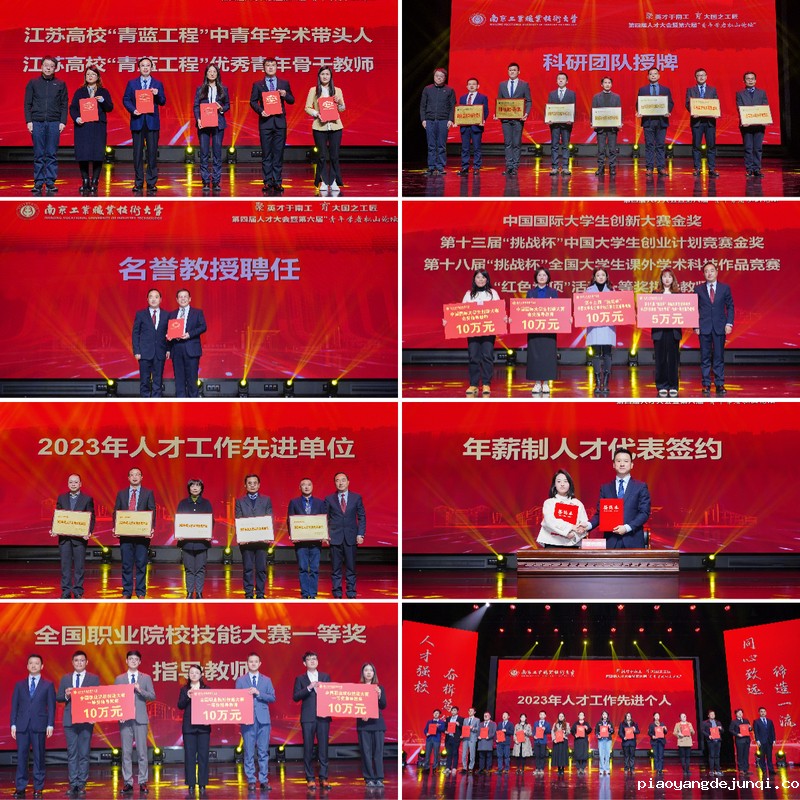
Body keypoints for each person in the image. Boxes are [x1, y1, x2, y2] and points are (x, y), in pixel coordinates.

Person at [587, 447, 651, 549]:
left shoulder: (640, 487)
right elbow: (600, 514)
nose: (622, 464)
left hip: (633, 541)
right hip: (611, 541)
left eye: (626, 461)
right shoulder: (605, 488)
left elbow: (644, 513)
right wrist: (588, 525)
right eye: (618, 461)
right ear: (614, 464)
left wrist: (627, 527)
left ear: (631, 465)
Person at [11, 654, 55, 799]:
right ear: (27, 666)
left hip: (39, 725)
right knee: (21, 757)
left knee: (39, 758)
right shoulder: (19, 685)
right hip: (22, 726)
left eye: (37, 663)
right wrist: (13, 724)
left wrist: (50, 724)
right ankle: (20, 787)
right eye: (31, 663)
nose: (34, 665)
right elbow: (14, 706)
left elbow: (52, 706)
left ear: (42, 666)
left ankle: (38, 787)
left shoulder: (48, 685)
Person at [56, 651, 100, 799]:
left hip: (86, 720)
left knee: (84, 753)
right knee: (72, 753)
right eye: (76, 660)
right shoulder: (66, 678)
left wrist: (95, 715)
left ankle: (81, 784)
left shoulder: (93, 678)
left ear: (86, 662)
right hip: (70, 720)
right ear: (72, 662)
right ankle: (73, 783)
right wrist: (67, 695)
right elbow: (59, 697)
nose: (79, 663)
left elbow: (97, 698)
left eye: (82, 660)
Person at [249, 57, 294, 194]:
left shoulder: (284, 83)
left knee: (278, 153)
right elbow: (252, 101)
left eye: (273, 65)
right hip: (266, 123)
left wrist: (285, 94)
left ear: (276, 67)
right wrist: (260, 111)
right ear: (264, 68)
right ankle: (268, 181)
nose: (270, 67)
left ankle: (278, 181)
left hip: (280, 122)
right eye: (268, 65)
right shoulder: (258, 84)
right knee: (266, 153)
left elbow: (292, 100)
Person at [24, 56, 68, 195]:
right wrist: (29, 121)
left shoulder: (60, 84)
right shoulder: (33, 83)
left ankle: (50, 182)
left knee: (51, 153)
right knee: (38, 154)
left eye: (51, 66)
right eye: (46, 65)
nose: (48, 68)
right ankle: (38, 182)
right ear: (41, 66)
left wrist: (63, 121)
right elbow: (27, 103)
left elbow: (64, 104)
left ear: (55, 68)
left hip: (54, 122)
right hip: (37, 122)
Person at [122, 57, 166, 195]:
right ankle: (138, 182)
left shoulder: (157, 84)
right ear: (139, 68)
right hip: (137, 121)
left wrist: (157, 94)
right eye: (143, 65)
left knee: (152, 153)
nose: (145, 68)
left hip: (152, 122)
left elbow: (163, 101)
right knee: (137, 154)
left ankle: (152, 183)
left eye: (148, 65)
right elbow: (126, 99)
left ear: (151, 68)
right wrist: (133, 110)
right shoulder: (132, 83)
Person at [114, 650, 156, 795]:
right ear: (126, 661)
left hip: (140, 719)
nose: (133, 661)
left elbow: (152, 696)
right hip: (124, 719)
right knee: (126, 752)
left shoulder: (146, 678)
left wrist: (140, 690)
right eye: (130, 659)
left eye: (136, 659)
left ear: (139, 662)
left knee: (142, 752)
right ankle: (128, 782)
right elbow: (115, 699)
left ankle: (143, 781)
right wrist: (119, 713)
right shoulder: (119, 679)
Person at [69, 65, 113, 195]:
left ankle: (95, 181)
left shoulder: (103, 92)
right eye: (88, 74)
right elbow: (73, 108)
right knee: (83, 154)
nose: (90, 76)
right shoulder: (80, 92)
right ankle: (85, 181)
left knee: (97, 154)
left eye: (93, 74)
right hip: (83, 127)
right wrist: (77, 118)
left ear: (98, 77)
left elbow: (110, 108)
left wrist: (103, 101)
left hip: (98, 126)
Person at [235, 653, 276, 792]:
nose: (253, 663)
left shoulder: (267, 680)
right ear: (247, 663)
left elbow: (272, 697)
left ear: (260, 663)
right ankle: (251, 780)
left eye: (255, 661)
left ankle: (263, 780)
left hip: (263, 719)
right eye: (251, 661)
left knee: (263, 752)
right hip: (247, 720)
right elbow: (236, 699)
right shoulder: (241, 680)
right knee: (249, 751)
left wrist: (258, 693)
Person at [113, 468, 156, 599]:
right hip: (125, 535)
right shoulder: (121, 493)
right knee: (126, 564)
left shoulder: (148, 493)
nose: (135, 477)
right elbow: (116, 511)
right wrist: (115, 527)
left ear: (141, 477)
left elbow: (152, 511)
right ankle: (126, 592)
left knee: (141, 564)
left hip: (142, 536)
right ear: (128, 478)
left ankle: (141, 592)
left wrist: (151, 528)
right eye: (132, 475)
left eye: (137, 474)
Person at [292, 651, 331, 790]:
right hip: (308, 717)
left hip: (323, 717)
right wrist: (309, 688)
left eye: (314, 659)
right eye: (309, 659)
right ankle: (310, 778)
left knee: (323, 748)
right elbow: (296, 696)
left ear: (318, 661)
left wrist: (322, 690)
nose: (312, 661)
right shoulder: (300, 679)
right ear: (305, 663)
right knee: (308, 748)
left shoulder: (325, 677)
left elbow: (332, 695)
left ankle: (324, 777)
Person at [694, 262, 734, 397]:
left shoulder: (725, 288)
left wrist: (729, 323)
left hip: (719, 327)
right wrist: (695, 325)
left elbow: (730, 306)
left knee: (719, 357)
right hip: (704, 327)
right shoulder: (698, 289)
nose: (709, 273)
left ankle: (719, 383)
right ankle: (706, 384)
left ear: (716, 272)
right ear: (703, 274)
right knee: (705, 357)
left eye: (712, 271)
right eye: (706, 271)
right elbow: (694, 309)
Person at [458, 269, 500, 397]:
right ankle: (474, 384)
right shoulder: (469, 295)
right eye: (478, 277)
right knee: (473, 356)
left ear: (487, 279)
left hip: (488, 330)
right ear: (474, 279)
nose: (480, 280)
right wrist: (449, 321)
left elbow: (499, 310)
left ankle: (486, 383)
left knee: (487, 356)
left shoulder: (492, 293)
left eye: (483, 277)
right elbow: (460, 313)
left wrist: (503, 318)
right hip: (473, 330)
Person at [52, 473, 95, 598]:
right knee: (65, 566)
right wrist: (54, 529)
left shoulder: (87, 499)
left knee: (79, 567)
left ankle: (78, 591)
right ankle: (65, 591)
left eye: (76, 482)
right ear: (68, 484)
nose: (73, 484)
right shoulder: (62, 498)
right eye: (71, 482)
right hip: (64, 538)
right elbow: (58, 515)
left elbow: (91, 517)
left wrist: (88, 531)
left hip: (80, 539)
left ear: (80, 484)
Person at [305, 65, 345, 194]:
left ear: (331, 76)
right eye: (322, 74)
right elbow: (307, 107)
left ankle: (333, 181)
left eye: (327, 74)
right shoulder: (314, 90)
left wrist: (340, 102)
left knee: (334, 155)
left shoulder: (337, 90)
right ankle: (322, 181)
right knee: (321, 156)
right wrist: (317, 114)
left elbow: (342, 109)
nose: (325, 76)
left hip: (335, 126)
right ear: (319, 76)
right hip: (319, 127)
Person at [325, 472, 366, 599]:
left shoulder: (356, 498)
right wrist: (325, 534)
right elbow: (324, 518)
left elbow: (362, 517)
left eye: (343, 480)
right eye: (337, 480)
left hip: (351, 537)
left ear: (348, 482)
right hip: (334, 537)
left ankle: (351, 593)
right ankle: (337, 593)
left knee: (351, 568)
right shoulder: (329, 499)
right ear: (335, 483)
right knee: (335, 569)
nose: (340, 483)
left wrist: (360, 534)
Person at [234, 474, 273, 599]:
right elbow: (238, 518)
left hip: (262, 541)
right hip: (246, 542)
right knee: (248, 568)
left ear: (259, 485)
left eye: (255, 483)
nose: (252, 485)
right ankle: (249, 593)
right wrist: (241, 537)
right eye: (249, 483)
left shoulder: (266, 500)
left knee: (261, 568)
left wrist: (268, 534)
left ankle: (260, 593)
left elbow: (269, 517)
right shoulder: (240, 501)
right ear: (245, 485)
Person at [193, 63, 230, 193]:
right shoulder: (200, 89)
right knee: (204, 154)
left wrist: (221, 108)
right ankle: (205, 181)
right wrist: (198, 119)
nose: (212, 74)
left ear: (217, 74)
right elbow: (196, 106)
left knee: (217, 153)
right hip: (203, 124)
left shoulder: (223, 89)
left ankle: (216, 181)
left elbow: (227, 105)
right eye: (210, 71)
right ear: (206, 74)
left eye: (214, 71)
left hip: (218, 124)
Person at [287, 478, 327, 599]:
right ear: (300, 488)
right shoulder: (294, 502)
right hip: (301, 542)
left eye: (309, 484)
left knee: (314, 568)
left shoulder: (320, 503)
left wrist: (324, 534)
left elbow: (324, 519)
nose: (306, 487)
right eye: (303, 485)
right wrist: (292, 535)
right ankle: (305, 594)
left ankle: (313, 594)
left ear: (312, 487)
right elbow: (290, 520)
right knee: (303, 568)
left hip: (316, 542)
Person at [176, 664, 211, 798]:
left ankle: (202, 783)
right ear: (188, 675)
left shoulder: (207, 689)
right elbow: (180, 705)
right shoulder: (184, 689)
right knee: (189, 756)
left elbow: (212, 707)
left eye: (196, 673)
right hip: (189, 727)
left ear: (201, 675)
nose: (194, 675)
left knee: (203, 756)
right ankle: (191, 783)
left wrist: (209, 719)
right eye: (191, 673)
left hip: (203, 727)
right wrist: (188, 696)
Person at [176, 479, 213, 599]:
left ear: (201, 488)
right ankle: (190, 592)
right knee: (189, 568)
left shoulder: (206, 503)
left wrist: (208, 532)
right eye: (192, 486)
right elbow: (179, 521)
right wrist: (179, 533)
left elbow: (211, 521)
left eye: (198, 486)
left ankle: (200, 592)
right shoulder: (183, 503)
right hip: (187, 543)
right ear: (189, 488)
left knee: (200, 568)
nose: (195, 488)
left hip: (202, 543)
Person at [168, 289, 207, 398]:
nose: (183, 299)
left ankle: (192, 403)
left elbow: (203, 327)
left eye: (185, 296)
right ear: (177, 299)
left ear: (190, 299)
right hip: (176, 348)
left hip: (191, 348)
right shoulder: (172, 314)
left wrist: (189, 334)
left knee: (192, 379)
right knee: (179, 379)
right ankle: (180, 403)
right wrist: (169, 336)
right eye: (180, 297)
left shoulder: (197, 312)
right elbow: (168, 330)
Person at [525, 267, 559, 395]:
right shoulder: (530, 293)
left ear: (548, 277)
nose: (542, 277)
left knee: (548, 355)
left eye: (544, 275)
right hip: (534, 328)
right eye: (539, 275)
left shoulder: (553, 292)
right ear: (536, 277)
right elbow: (524, 310)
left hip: (549, 329)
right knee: (535, 356)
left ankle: (546, 383)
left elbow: (559, 310)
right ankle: (537, 383)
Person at [132, 288, 170, 398]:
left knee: (158, 380)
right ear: (147, 299)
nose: (153, 299)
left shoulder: (166, 315)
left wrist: (168, 349)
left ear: (160, 299)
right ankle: (145, 401)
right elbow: (135, 333)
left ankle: (156, 402)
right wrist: (136, 351)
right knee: (145, 380)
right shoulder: (140, 314)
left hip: (160, 352)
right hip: (144, 353)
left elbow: (169, 334)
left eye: (156, 297)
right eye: (151, 297)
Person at [538, 468, 590, 548]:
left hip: (572, 544)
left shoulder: (577, 503)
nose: (562, 484)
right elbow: (549, 522)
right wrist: (570, 528)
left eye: (565, 481)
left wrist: (574, 534)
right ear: (554, 485)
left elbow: (584, 525)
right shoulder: (549, 503)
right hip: (552, 543)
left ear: (570, 484)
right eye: (559, 481)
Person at [584, 267, 616, 396]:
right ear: (594, 277)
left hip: (608, 327)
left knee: (607, 354)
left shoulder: (612, 291)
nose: (601, 277)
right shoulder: (588, 292)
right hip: (594, 327)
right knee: (596, 354)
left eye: (603, 275)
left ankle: (606, 382)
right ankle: (597, 382)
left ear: (606, 277)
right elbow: (583, 308)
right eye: (598, 275)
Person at [636, 68, 673, 177]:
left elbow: (670, 102)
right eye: (651, 74)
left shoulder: (665, 89)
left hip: (662, 120)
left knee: (660, 145)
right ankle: (649, 168)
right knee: (649, 145)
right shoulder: (643, 90)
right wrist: (640, 111)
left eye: (655, 74)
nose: (653, 76)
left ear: (659, 76)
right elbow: (638, 103)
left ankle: (661, 167)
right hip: (648, 121)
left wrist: (667, 111)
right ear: (648, 76)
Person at [652, 267, 682, 397]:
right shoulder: (655, 294)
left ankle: (673, 385)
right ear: (661, 279)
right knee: (660, 359)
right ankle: (662, 385)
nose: (667, 279)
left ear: (673, 279)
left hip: (673, 331)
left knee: (673, 359)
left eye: (670, 276)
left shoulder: (678, 294)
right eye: (664, 276)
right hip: (659, 331)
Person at [419, 68, 455, 176]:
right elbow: (422, 105)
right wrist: (423, 119)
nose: (439, 78)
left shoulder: (449, 90)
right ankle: (431, 167)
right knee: (431, 145)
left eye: (441, 76)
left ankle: (440, 167)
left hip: (443, 120)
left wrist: (450, 119)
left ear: (445, 78)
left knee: (441, 145)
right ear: (434, 77)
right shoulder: (427, 89)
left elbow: (452, 106)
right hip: (430, 120)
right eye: (437, 76)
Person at [497, 63, 531, 176]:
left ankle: (515, 167)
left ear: (518, 72)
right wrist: (498, 113)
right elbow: (499, 101)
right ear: (508, 72)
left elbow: (529, 101)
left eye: (514, 70)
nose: (512, 72)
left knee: (516, 143)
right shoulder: (502, 85)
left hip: (518, 119)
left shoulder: (524, 84)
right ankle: (509, 166)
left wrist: (526, 113)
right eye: (510, 70)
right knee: (508, 143)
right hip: (506, 119)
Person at [356, 663, 386, 788]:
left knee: (378, 752)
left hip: (377, 724)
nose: (368, 672)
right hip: (363, 724)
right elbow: (354, 706)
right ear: (362, 673)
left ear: (374, 673)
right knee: (366, 753)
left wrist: (379, 695)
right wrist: (362, 714)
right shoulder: (357, 689)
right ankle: (369, 778)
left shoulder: (379, 688)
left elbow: (383, 705)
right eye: (366, 670)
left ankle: (379, 778)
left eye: (371, 670)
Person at [686, 69, 720, 178]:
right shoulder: (691, 90)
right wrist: (693, 111)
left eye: (703, 75)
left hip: (710, 122)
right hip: (697, 122)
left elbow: (715, 103)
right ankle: (697, 168)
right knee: (696, 146)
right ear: (695, 78)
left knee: (711, 146)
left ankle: (712, 168)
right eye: (698, 75)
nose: (701, 77)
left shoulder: (712, 90)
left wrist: (716, 112)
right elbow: (687, 103)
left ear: (706, 76)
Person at [736, 72, 769, 177]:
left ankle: (757, 169)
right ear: (744, 81)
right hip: (746, 125)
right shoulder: (740, 93)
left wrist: (765, 118)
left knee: (758, 148)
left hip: (759, 125)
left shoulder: (762, 93)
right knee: (748, 148)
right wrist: (744, 120)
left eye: (752, 78)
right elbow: (739, 108)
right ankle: (749, 169)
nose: (750, 80)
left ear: (755, 80)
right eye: (748, 79)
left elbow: (765, 106)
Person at [456, 78, 489, 176]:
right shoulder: (462, 98)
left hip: (476, 126)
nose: (471, 86)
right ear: (467, 86)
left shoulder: (482, 97)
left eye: (474, 84)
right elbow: (460, 111)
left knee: (477, 148)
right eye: (469, 84)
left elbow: (486, 111)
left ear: (478, 86)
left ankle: (476, 167)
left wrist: (482, 120)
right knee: (465, 148)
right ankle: (465, 167)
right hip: (464, 127)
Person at [592, 76, 622, 178]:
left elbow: (618, 110)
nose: (607, 84)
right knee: (601, 149)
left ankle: (612, 168)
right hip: (600, 127)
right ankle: (600, 168)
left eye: (609, 82)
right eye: (605, 82)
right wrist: (593, 122)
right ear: (602, 85)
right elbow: (593, 110)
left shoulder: (616, 97)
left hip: (612, 127)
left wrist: (619, 122)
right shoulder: (596, 97)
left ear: (611, 84)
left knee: (612, 149)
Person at [546, 72, 575, 176]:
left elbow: (573, 108)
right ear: (556, 81)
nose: (561, 80)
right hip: (554, 124)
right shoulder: (552, 94)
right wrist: (548, 118)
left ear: (567, 81)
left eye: (563, 79)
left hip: (566, 124)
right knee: (554, 145)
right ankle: (554, 167)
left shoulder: (571, 94)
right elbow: (549, 108)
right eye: (559, 78)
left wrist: (571, 119)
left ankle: (565, 167)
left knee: (565, 145)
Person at [754, 707, 777, 775]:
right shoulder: (756, 721)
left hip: (769, 741)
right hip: (761, 741)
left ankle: (771, 770)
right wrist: (757, 740)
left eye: (764, 711)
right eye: (761, 711)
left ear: (766, 712)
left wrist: (774, 740)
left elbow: (772, 731)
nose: (763, 713)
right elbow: (756, 732)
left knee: (769, 756)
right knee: (762, 756)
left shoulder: (770, 721)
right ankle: (763, 770)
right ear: (759, 713)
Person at [730, 708, 752, 775]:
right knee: (740, 755)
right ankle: (741, 769)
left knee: (746, 755)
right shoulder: (734, 722)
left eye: (741, 712)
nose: (740, 714)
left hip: (747, 740)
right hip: (739, 740)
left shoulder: (746, 720)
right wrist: (737, 734)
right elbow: (731, 730)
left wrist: (750, 727)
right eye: (738, 713)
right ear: (736, 714)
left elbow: (750, 729)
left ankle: (746, 769)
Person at [702, 710, 724, 776]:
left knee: (717, 755)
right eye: (711, 714)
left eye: (713, 714)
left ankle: (718, 770)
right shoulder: (705, 723)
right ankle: (711, 770)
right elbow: (702, 731)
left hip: (718, 740)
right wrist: (708, 736)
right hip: (710, 741)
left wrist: (720, 728)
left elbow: (722, 731)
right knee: (711, 755)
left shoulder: (718, 722)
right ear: (708, 715)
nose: (712, 715)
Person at [442, 705, 463, 774]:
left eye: (455, 710)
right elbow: (445, 726)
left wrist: (459, 725)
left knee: (455, 753)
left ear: (457, 711)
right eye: (452, 710)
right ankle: (448, 768)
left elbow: (464, 728)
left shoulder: (461, 719)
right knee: (449, 753)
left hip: (455, 738)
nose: (453, 712)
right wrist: (445, 731)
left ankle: (454, 768)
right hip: (449, 738)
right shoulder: (448, 718)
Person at [532, 711, 551, 776]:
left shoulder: (547, 724)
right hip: (536, 741)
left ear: (545, 716)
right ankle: (537, 768)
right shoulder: (536, 723)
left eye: (543, 714)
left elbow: (549, 731)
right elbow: (533, 731)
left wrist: (545, 729)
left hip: (543, 741)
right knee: (537, 755)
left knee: (542, 755)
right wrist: (534, 735)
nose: (542, 716)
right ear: (539, 715)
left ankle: (541, 768)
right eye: (541, 714)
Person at [461, 707, 479, 773]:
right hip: (465, 738)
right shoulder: (465, 719)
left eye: (471, 711)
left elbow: (478, 729)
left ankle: (471, 767)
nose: (470, 712)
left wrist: (473, 728)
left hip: (472, 738)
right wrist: (462, 735)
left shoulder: (477, 720)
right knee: (464, 754)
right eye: (469, 711)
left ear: (474, 712)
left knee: (472, 754)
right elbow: (463, 728)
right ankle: (464, 767)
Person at [595, 711, 614, 775]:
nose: (604, 716)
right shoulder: (599, 723)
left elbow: (612, 731)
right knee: (601, 755)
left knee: (607, 755)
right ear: (602, 716)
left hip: (608, 740)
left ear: (607, 716)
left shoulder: (610, 723)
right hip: (601, 740)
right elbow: (596, 731)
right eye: (603, 714)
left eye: (606, 714)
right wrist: (598, 735)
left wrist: (610, 728)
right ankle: (601, 769)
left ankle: (607, 769)